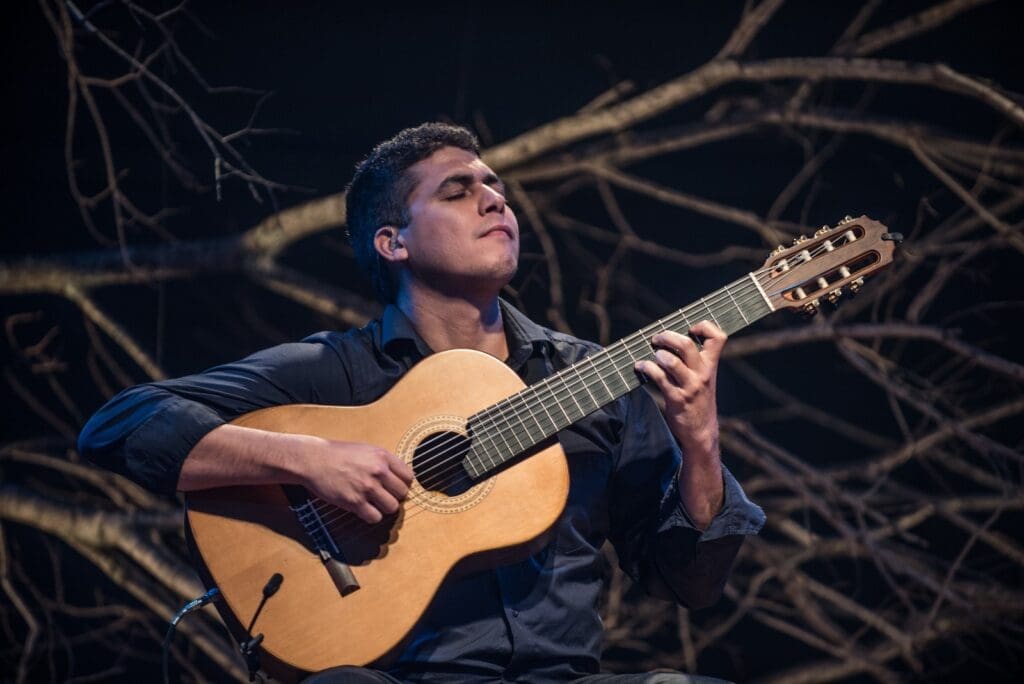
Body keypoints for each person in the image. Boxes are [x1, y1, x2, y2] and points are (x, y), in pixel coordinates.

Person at [78, 122, 764, 683]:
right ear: (393, 242)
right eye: (458, 191)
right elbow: (121, 424)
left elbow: (689, 582)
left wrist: (701, 442)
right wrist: (308, 459)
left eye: (495, 187)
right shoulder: (333, 372)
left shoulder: (595, 377)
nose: (495, 201)